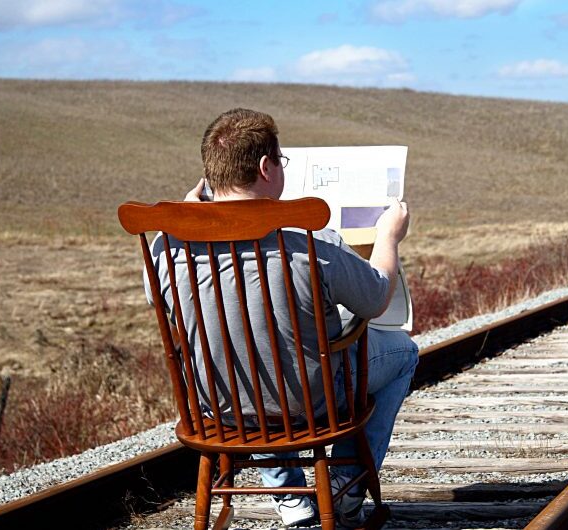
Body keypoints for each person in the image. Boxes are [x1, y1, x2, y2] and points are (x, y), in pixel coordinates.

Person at [146, 108, 418, 528]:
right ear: (266, 167)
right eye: (281, 162)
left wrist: (188, 215)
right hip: (310, 400)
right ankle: (347, 485)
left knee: (250, 362)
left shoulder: (167, 249)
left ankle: (290, 498)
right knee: (404, 352)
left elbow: (156, 297)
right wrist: (388, 237)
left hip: (220, 404)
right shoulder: (310, 242)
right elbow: (376, 299)